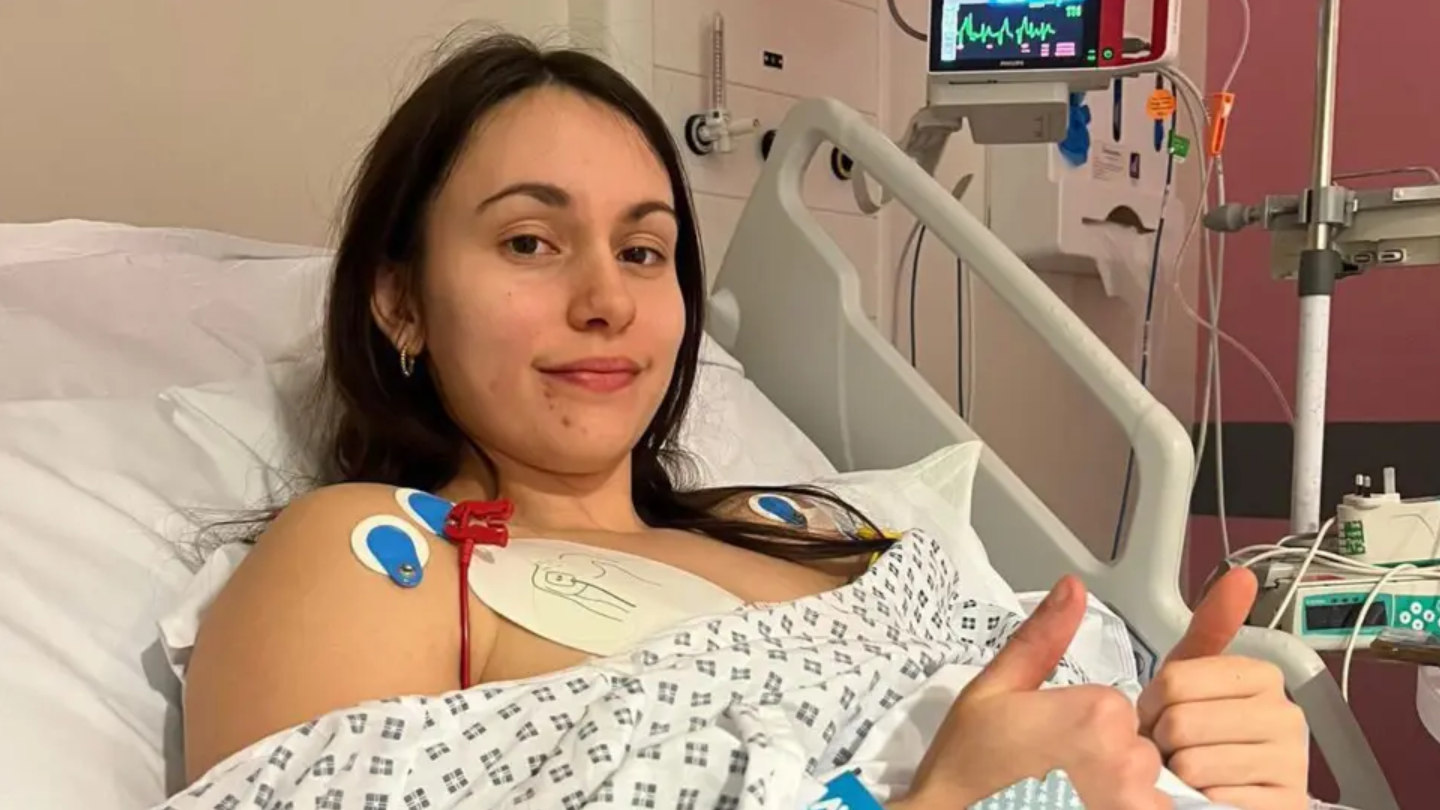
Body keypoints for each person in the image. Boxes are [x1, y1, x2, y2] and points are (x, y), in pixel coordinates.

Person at [182, 34, 1309, 810]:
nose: (606, 299)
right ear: (399, 300)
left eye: (643, 251)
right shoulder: (369, 557)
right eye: (530, 241)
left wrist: (1201, 746)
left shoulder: (806, 527)